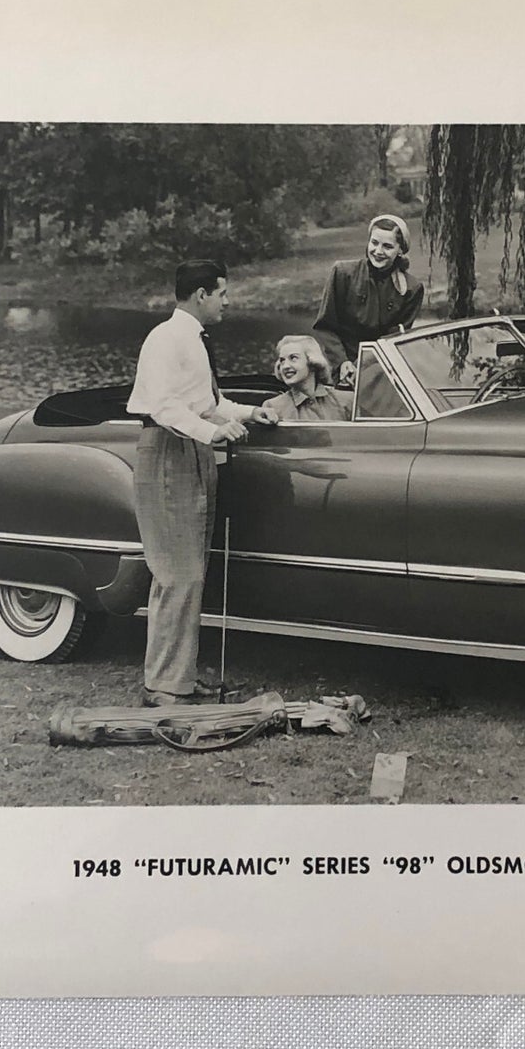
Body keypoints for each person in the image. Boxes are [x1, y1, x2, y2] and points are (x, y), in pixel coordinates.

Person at [126, 260, 278, 707]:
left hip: (193, 452)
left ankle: (179, 679)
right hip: (169, 452)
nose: (227, 301)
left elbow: (208, 404)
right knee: (177, 575)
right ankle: (163, 688)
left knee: (190, 574)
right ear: (200, 295)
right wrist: (213, 433)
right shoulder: (165, 339)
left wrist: (251, 414)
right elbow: (163, 408)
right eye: (222, 293)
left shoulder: (193, 339)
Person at [312, 214, 425, 386]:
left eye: (387, 246)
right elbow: (325, 326)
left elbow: (393, 339)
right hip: (336, 367)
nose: (378, 251)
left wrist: (361, 367)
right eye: (374, 243)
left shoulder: (411, 289)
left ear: (400, 250)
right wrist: (342, 363)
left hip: (379, 370)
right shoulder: (343, 273)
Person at [261, 334, 353, 422]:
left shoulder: (347, 401)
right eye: (282, 360)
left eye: (293, 358)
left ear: (312, 363)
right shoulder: (273, 407)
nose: (285, 366)